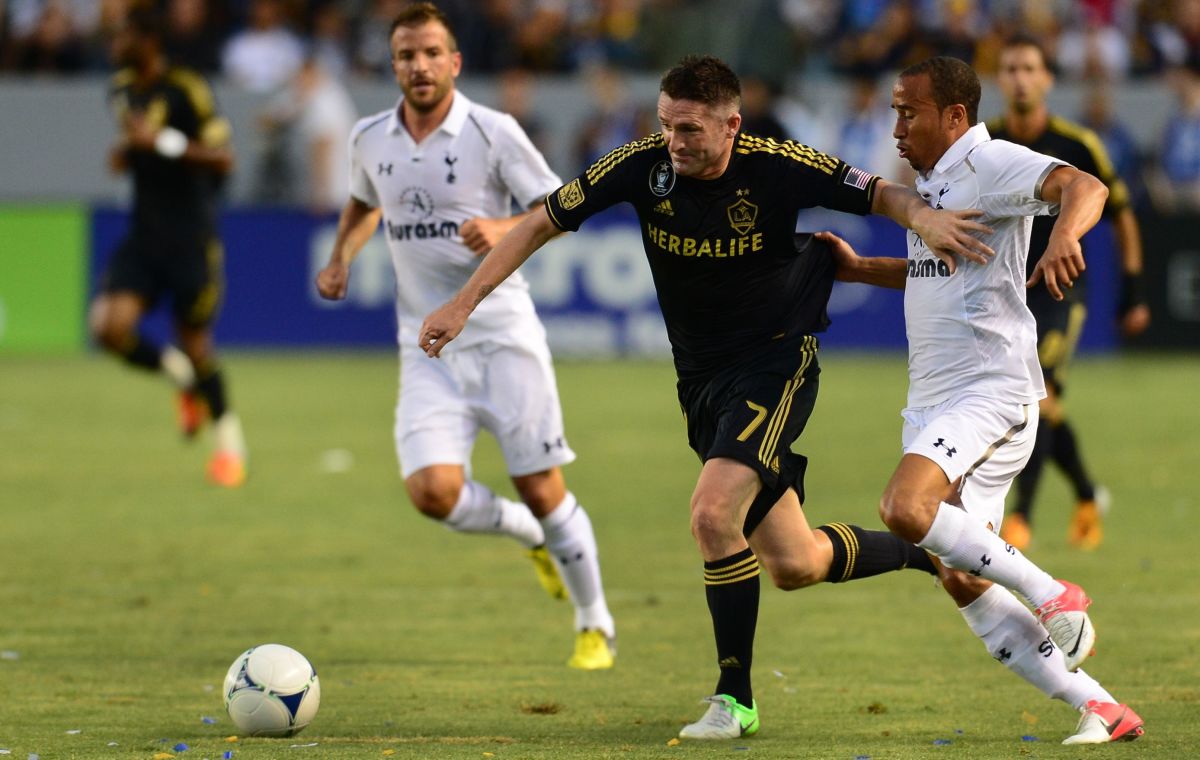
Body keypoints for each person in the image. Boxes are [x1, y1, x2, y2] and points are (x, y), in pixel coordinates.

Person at [419, 53, 1000, 740]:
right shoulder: (641, 165)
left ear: (732, 125)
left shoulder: (777, 164)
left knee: (711, 512)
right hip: (700, 379)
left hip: (776, 361)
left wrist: (924, 220)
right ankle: (932, 554)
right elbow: (541, 220)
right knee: (795, 563)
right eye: (667, 125)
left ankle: (735, 698)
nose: (676, 141)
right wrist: (463, 302)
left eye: (691, 129)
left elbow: (879, 193)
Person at [822, 55, 1144, 745]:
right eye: (894, 112)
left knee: (905, 508)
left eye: (910, 112)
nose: (897, 126)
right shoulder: (933, 184)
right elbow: (931, 272)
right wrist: (859, 269)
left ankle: (1055, 592)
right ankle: (1104, 709)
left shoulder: (993, 163)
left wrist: (1063, 233)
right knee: (959, 577)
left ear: (955, 116)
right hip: (936, 403)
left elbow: (1082, 185)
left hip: (991, 392)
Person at [315, 3, 616, 670]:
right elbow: (364, 203)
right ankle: (527, 536)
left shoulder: (492, 130)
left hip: (504, 337)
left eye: (430, 53)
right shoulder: (369, 137)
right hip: (425, 347)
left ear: (454, 62)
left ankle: (595, 621)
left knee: (544, 487)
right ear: (392, 65)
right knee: (432, 493)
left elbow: (561, 210)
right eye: (405, 55)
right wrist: (342, 256)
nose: (417, 66)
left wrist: (505, 227)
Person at [987, 34, 1151, 551]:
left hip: (1059, 293)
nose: (1019, 77)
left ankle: (1021, 520)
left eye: (1028, 68)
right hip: (1004, 293)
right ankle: (1084, 494)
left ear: (1046, 79)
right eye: (1010, 68)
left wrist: (1132, 289)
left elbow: (1122, 216)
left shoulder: (1078, 145)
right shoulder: (983, 143)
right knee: (1038, 407)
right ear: (1000, 79)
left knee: (1041, 397)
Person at [90, 8, 247, 488]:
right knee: (108, 328)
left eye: (124, 37)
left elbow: (223, 158)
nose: (115, 45)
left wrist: (163, 143)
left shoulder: (188, 88)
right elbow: (134, 145)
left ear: (149, 40)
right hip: (144, 233)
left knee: (197, 342)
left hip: (190, 237)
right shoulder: (119, 90)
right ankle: (181, 381)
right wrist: (127, 151)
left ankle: (230, 450)